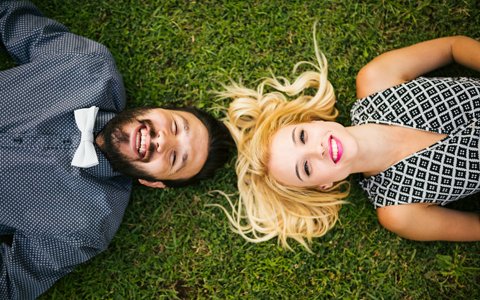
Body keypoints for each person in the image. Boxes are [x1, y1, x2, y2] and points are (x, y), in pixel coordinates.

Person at [0, 1, 233, 298]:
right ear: (158, 108)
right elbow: (8, 15)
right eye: (175, 127)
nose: (163, 141)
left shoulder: (87, 226)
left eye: (174, 158)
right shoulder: (88, 65)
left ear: (153, 182)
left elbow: (9, 285)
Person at [219, 33, 480, 251]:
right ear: (323, 185)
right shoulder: (399, 210)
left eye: (302, 137)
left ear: (312, 121)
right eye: (306, 168)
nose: (317, 150)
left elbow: (453, 47)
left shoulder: (377, 79)